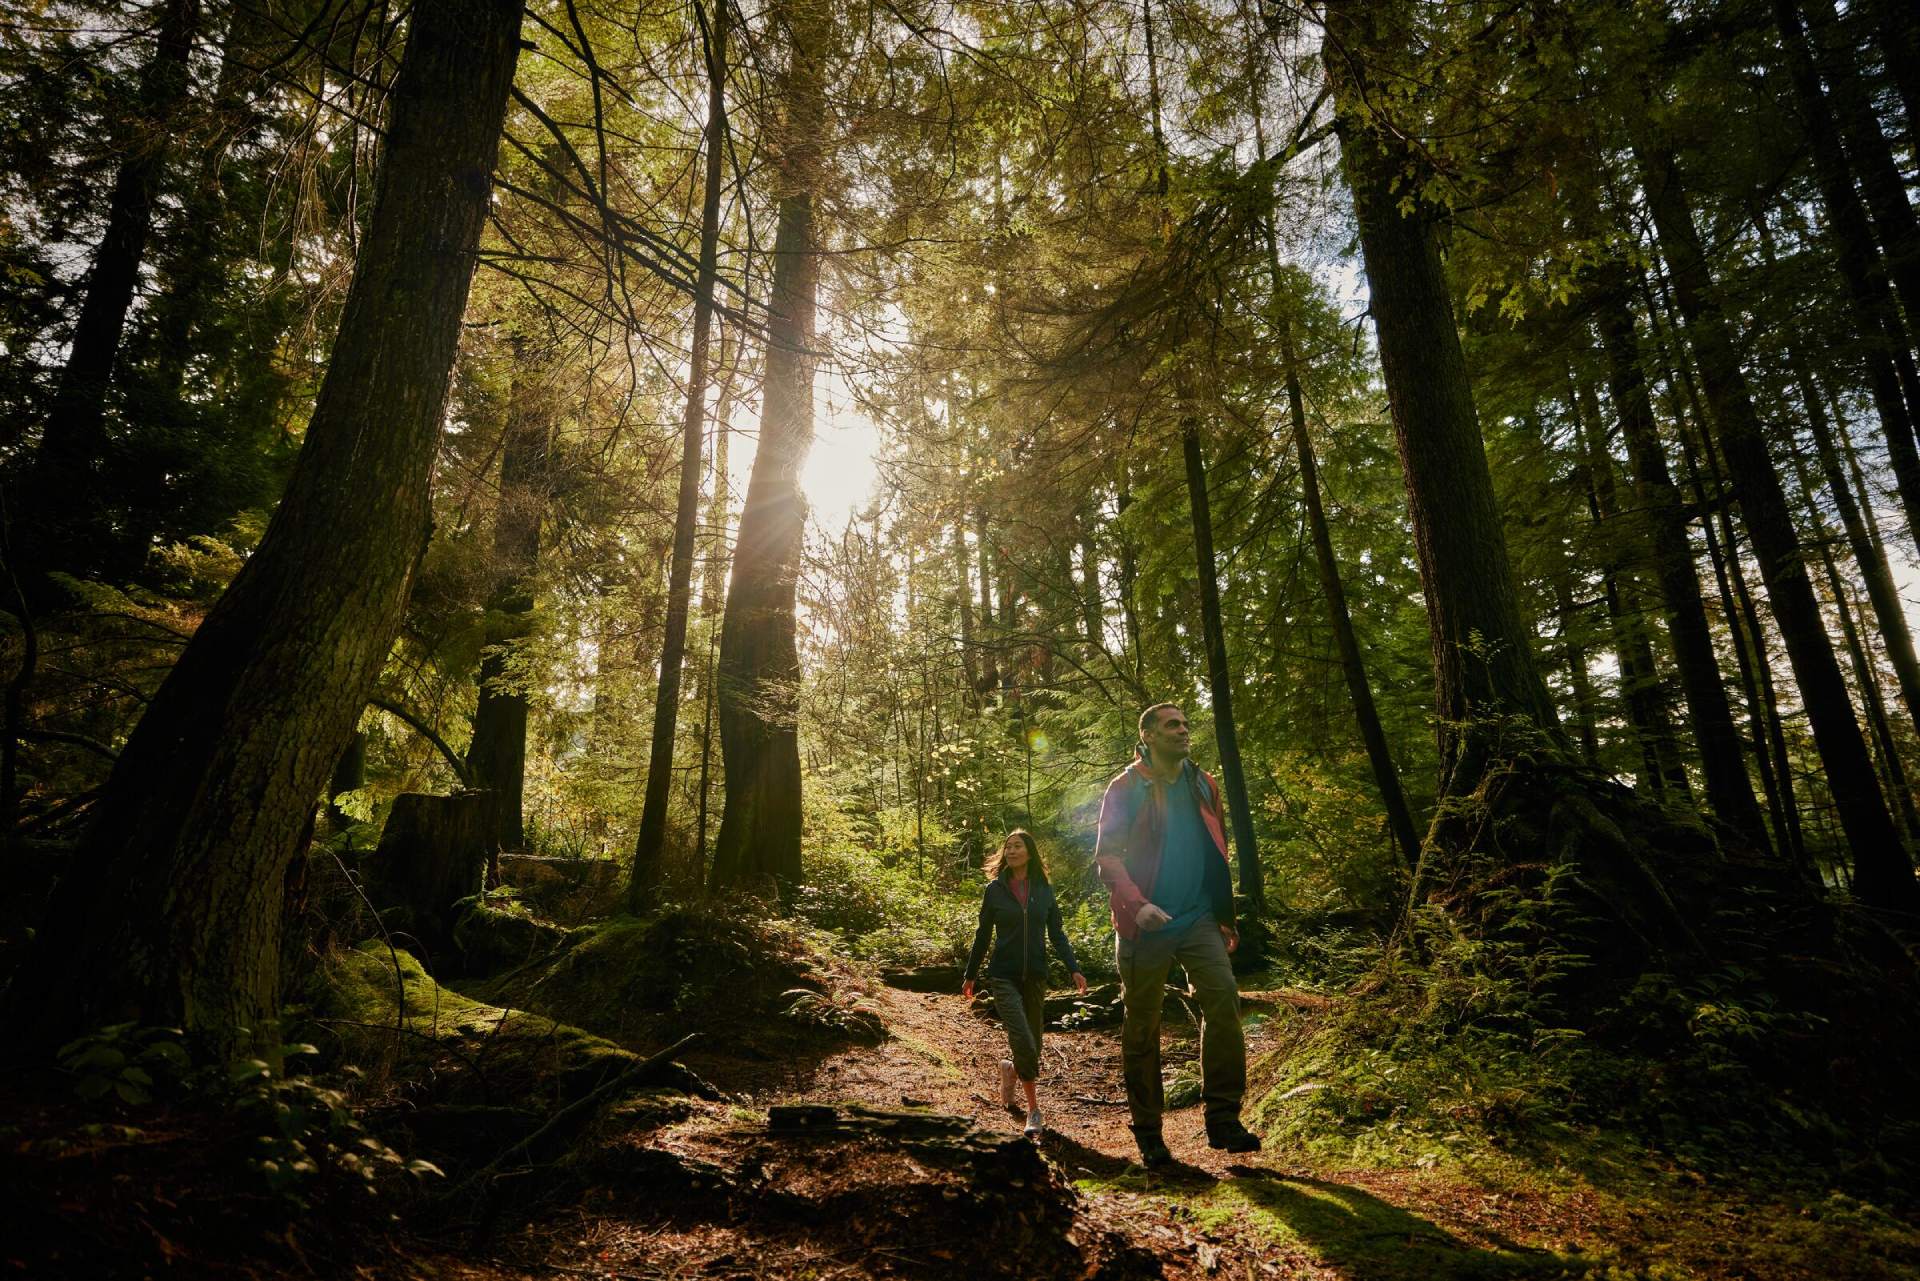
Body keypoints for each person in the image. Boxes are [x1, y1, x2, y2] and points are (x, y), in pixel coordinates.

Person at [1095, 702, 1260, 1167]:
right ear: (1147, 735)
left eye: (1186, 724)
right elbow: (1107, 856)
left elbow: (1216, 848)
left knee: (1224, 1000)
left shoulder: (1202, 783)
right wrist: (1138, 904)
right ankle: (1149, 1132)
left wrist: (1224, 916)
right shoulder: (1126, 787)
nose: (1183, 731)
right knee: (1143, 1025)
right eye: (1172, 725)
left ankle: (1223, 1119)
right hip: (1144, 923)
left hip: (1198, 917)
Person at [961, 828, 1088, 1139]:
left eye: (1017, 846)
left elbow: (1057, 933)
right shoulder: (995, 890)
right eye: (1008, 847)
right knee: (1024, 1039)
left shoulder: (1043, 889)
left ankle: (1011, 1070)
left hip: (1035, 976)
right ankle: (1033, 1110)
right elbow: (982, 934)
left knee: (1034, 1046)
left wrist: (1074, 968)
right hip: (1003, 975)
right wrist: (971, 973)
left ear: (1029, 852)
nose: (1012, 851)